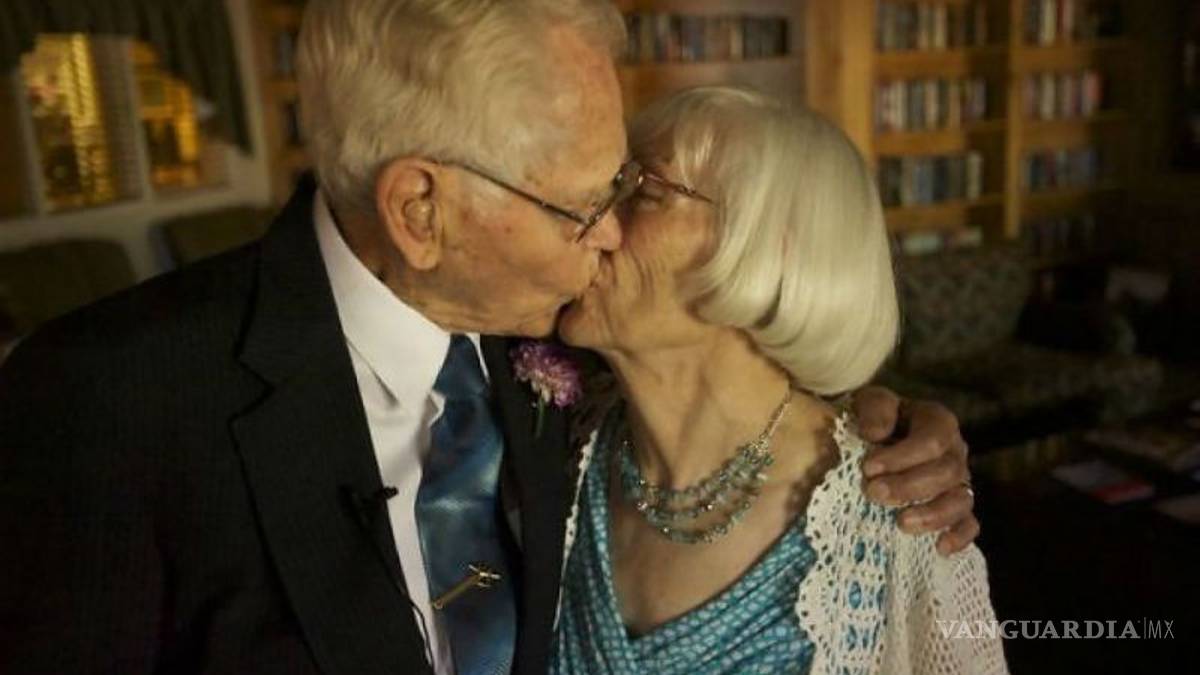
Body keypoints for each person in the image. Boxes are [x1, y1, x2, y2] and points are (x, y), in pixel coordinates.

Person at [0, 2, 978, 674]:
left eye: (629, 188)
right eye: (588, 199)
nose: (608, 232)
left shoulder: (556, 349)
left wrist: (895, 425)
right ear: (421, 212)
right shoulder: (101, 402)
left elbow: (743, 384)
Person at [551, 87, 1007, 674]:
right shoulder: (559, 441)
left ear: (770, 251)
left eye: (646, 190)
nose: (591, 217)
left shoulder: (892, 522)